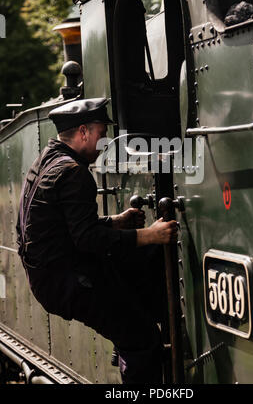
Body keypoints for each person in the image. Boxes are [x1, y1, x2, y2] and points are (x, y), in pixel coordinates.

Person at [16, 97, 178, 384]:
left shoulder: (48, 161)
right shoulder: (73, 173)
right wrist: (150, 235)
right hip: (68, 280)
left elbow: (62, 229)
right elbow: (87, 240)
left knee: (129, 291)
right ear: (83, 132)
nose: (105, 142)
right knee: (142, 336)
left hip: (51, 276)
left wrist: (115, 222)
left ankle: (124, 349)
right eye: (102, 134)